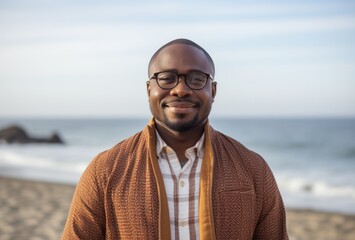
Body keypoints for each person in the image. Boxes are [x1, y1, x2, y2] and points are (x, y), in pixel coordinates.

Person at [62, 38, 288, 239]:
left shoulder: (252, 169)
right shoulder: (105, 171)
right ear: (149, 90)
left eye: (197, 78)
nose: (180, 89)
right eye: (167, 78)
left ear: (213, 91)